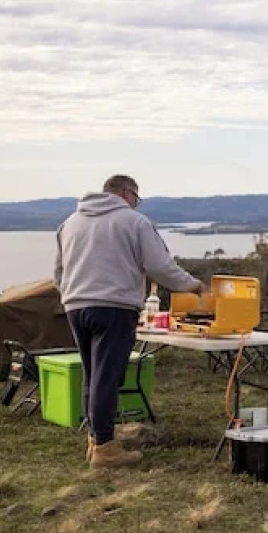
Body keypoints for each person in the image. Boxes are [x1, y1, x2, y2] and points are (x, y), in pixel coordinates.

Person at [54, 175, 203, 468]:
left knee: (92, 374)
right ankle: (106, 449)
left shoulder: (70, 222)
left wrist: (72, 296)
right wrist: (192, 285)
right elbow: (159, 266)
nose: (136, 203)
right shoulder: (134, 222)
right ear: (126, 193)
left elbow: (58, 272)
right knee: (108, 376)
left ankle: (95, 439)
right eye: (137, 198)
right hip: (114, 306)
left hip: (75, 305)